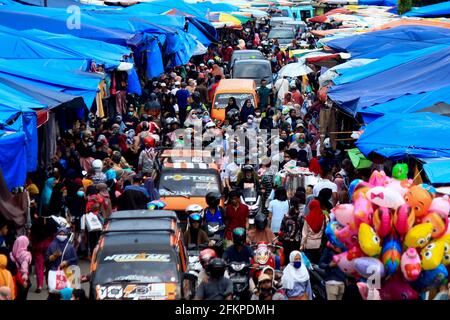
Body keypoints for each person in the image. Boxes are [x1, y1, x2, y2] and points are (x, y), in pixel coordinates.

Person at [301, 188, 332, 264]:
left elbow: (304, 234)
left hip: (308, 245)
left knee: (309, 263)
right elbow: (327, 228)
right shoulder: (325, 217)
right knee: (317, 263)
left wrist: (302, 245)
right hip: (319, 245)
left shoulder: (307, 219)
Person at [279, 197, 303, 265]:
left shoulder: (286, 216)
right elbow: (302, 228)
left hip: (286, 240)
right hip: (296, 240)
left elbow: (282, 228)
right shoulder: (300, 216)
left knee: (287, 257)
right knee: (295, 257)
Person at [10, 236, 32, 300]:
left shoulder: (12, 253)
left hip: (15, 276)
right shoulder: (26, 255)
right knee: (23, 295)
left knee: (16, 294)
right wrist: (24, 278)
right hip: (22, 277)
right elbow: (24, 266)